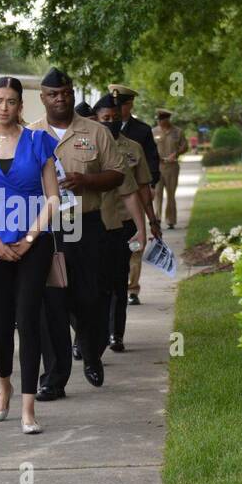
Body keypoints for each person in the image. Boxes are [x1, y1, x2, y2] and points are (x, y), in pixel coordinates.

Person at [0, 77, 61, 434]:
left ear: (21, 106)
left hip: (33, 246)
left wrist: (30, 237)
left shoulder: (38, 142)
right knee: (1, 325)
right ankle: (3, 386)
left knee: (28, 319)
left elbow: (53, 198)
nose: (4, 107)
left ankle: (28, 406)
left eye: (11, 101)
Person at [28, 68, 124, 399]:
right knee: (51, 302)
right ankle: (54, 378)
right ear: (43, 98)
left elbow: (118, 175)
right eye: (53, 94)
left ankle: (91, 350)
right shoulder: (31, 135)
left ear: (72, 94)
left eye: (66, 92)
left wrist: (87, 181)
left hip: (87, 224)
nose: (60, 98)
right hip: (48, 228)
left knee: (91, 297)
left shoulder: (96, 132)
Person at [93, 93, 153, 353]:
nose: (110, 122)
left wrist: (150, 223)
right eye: (105, 118)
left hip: (123, 224)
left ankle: (116, 334)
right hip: (93, 223)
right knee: (92, 284)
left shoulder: (133, 148)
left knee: (119, 283)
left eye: (115, 118)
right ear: (96, 119)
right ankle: (88, 335)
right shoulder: (87, 146)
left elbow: (141, 188)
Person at [110, 83, 160, 306]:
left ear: (130, 105)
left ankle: (132, 287)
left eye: (121, 105)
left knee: (134, 246)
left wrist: (152, 183)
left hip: (136, 194)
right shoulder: (100, 128)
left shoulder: (141, 131)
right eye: (114, 105)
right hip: (108, 203)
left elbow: (151, 159)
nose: (117, 109)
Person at [153, 108, 189, 229]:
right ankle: (156, 219)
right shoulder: (153, 132)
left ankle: (171, 220)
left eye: (162, 120)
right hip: (157, 167)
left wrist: (177, 153)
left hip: (172, 167)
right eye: (158, 120)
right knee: (157, 194)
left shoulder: (177, 132)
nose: (159, 122)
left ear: (167, 119)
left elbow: (185, 146)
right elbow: (148, 147)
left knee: (171, 194)